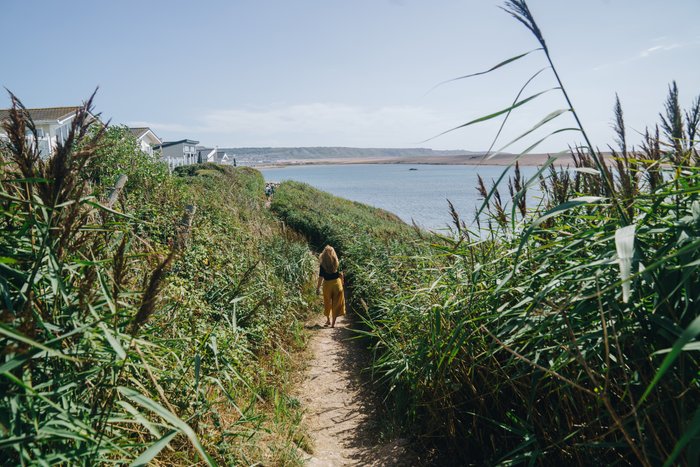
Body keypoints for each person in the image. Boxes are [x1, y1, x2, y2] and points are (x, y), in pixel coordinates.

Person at [315, 245, 346, 327]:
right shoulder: (337, 262)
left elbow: (321, 277)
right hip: (337, 284)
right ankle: (333, 324)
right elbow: (341, 274)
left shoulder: (323, 264)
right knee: (336, 304)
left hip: (327, 284)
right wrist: (342, 283)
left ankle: (328, 320)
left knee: (327, 303)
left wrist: (318, 288)